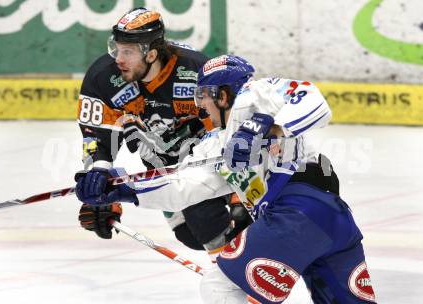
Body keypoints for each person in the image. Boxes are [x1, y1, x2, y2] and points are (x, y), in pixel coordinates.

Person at [75, 55, 376, 303]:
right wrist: (121, 189)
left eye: (202, 96)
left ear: (221, 94)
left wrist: (269, 127)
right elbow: (182, 186)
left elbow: (314, 101)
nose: (199, 106)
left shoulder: (255, 95)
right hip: (331, 225)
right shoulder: (215, 146)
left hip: (298, 213)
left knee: (221, 287)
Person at [75, 7, 252, 259]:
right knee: (189, 235)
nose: (118, 59)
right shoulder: (103, 78)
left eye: (128, 51)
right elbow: (97, 137)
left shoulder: (194, 71)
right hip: (164, 170)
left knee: (206, 215)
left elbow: (233, 130)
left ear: (151, 54)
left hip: (211, 162)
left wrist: (240, 193)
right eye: (116, 48)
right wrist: (100, 184)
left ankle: (238, 275)